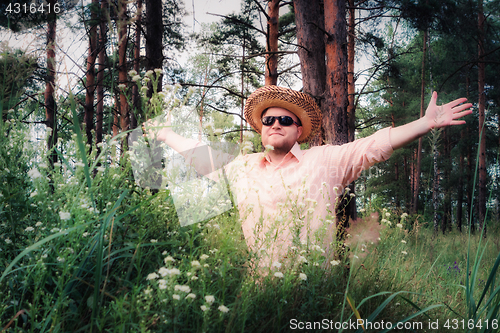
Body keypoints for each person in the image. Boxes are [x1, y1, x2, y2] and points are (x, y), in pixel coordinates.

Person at [146, 85, 472, 270]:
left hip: (315, 291)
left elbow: (373, 145)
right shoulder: (241, 167)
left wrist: (424, 123)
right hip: (259, 293)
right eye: (269, 119)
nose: (276, 123)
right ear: (260, 130)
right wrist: (166, 135)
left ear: (298, 130)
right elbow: (200, 154)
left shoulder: (325, 160)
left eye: (285, 120)